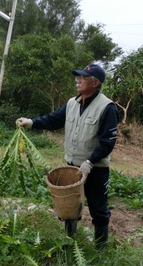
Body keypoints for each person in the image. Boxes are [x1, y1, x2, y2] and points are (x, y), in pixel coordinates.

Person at [16, 64, 118, 249]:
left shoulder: (107, 107)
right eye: (77, 77)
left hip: (95, 169)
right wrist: (31, 122)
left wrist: (90, 161)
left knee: (98, 209)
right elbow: (54, 119)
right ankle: (70, 239)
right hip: (72, 167)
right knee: (70, 206)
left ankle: (101, 247)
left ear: (95, 83)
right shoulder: (73, 103)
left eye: (83, 78)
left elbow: (108, 142)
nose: (78, 80)